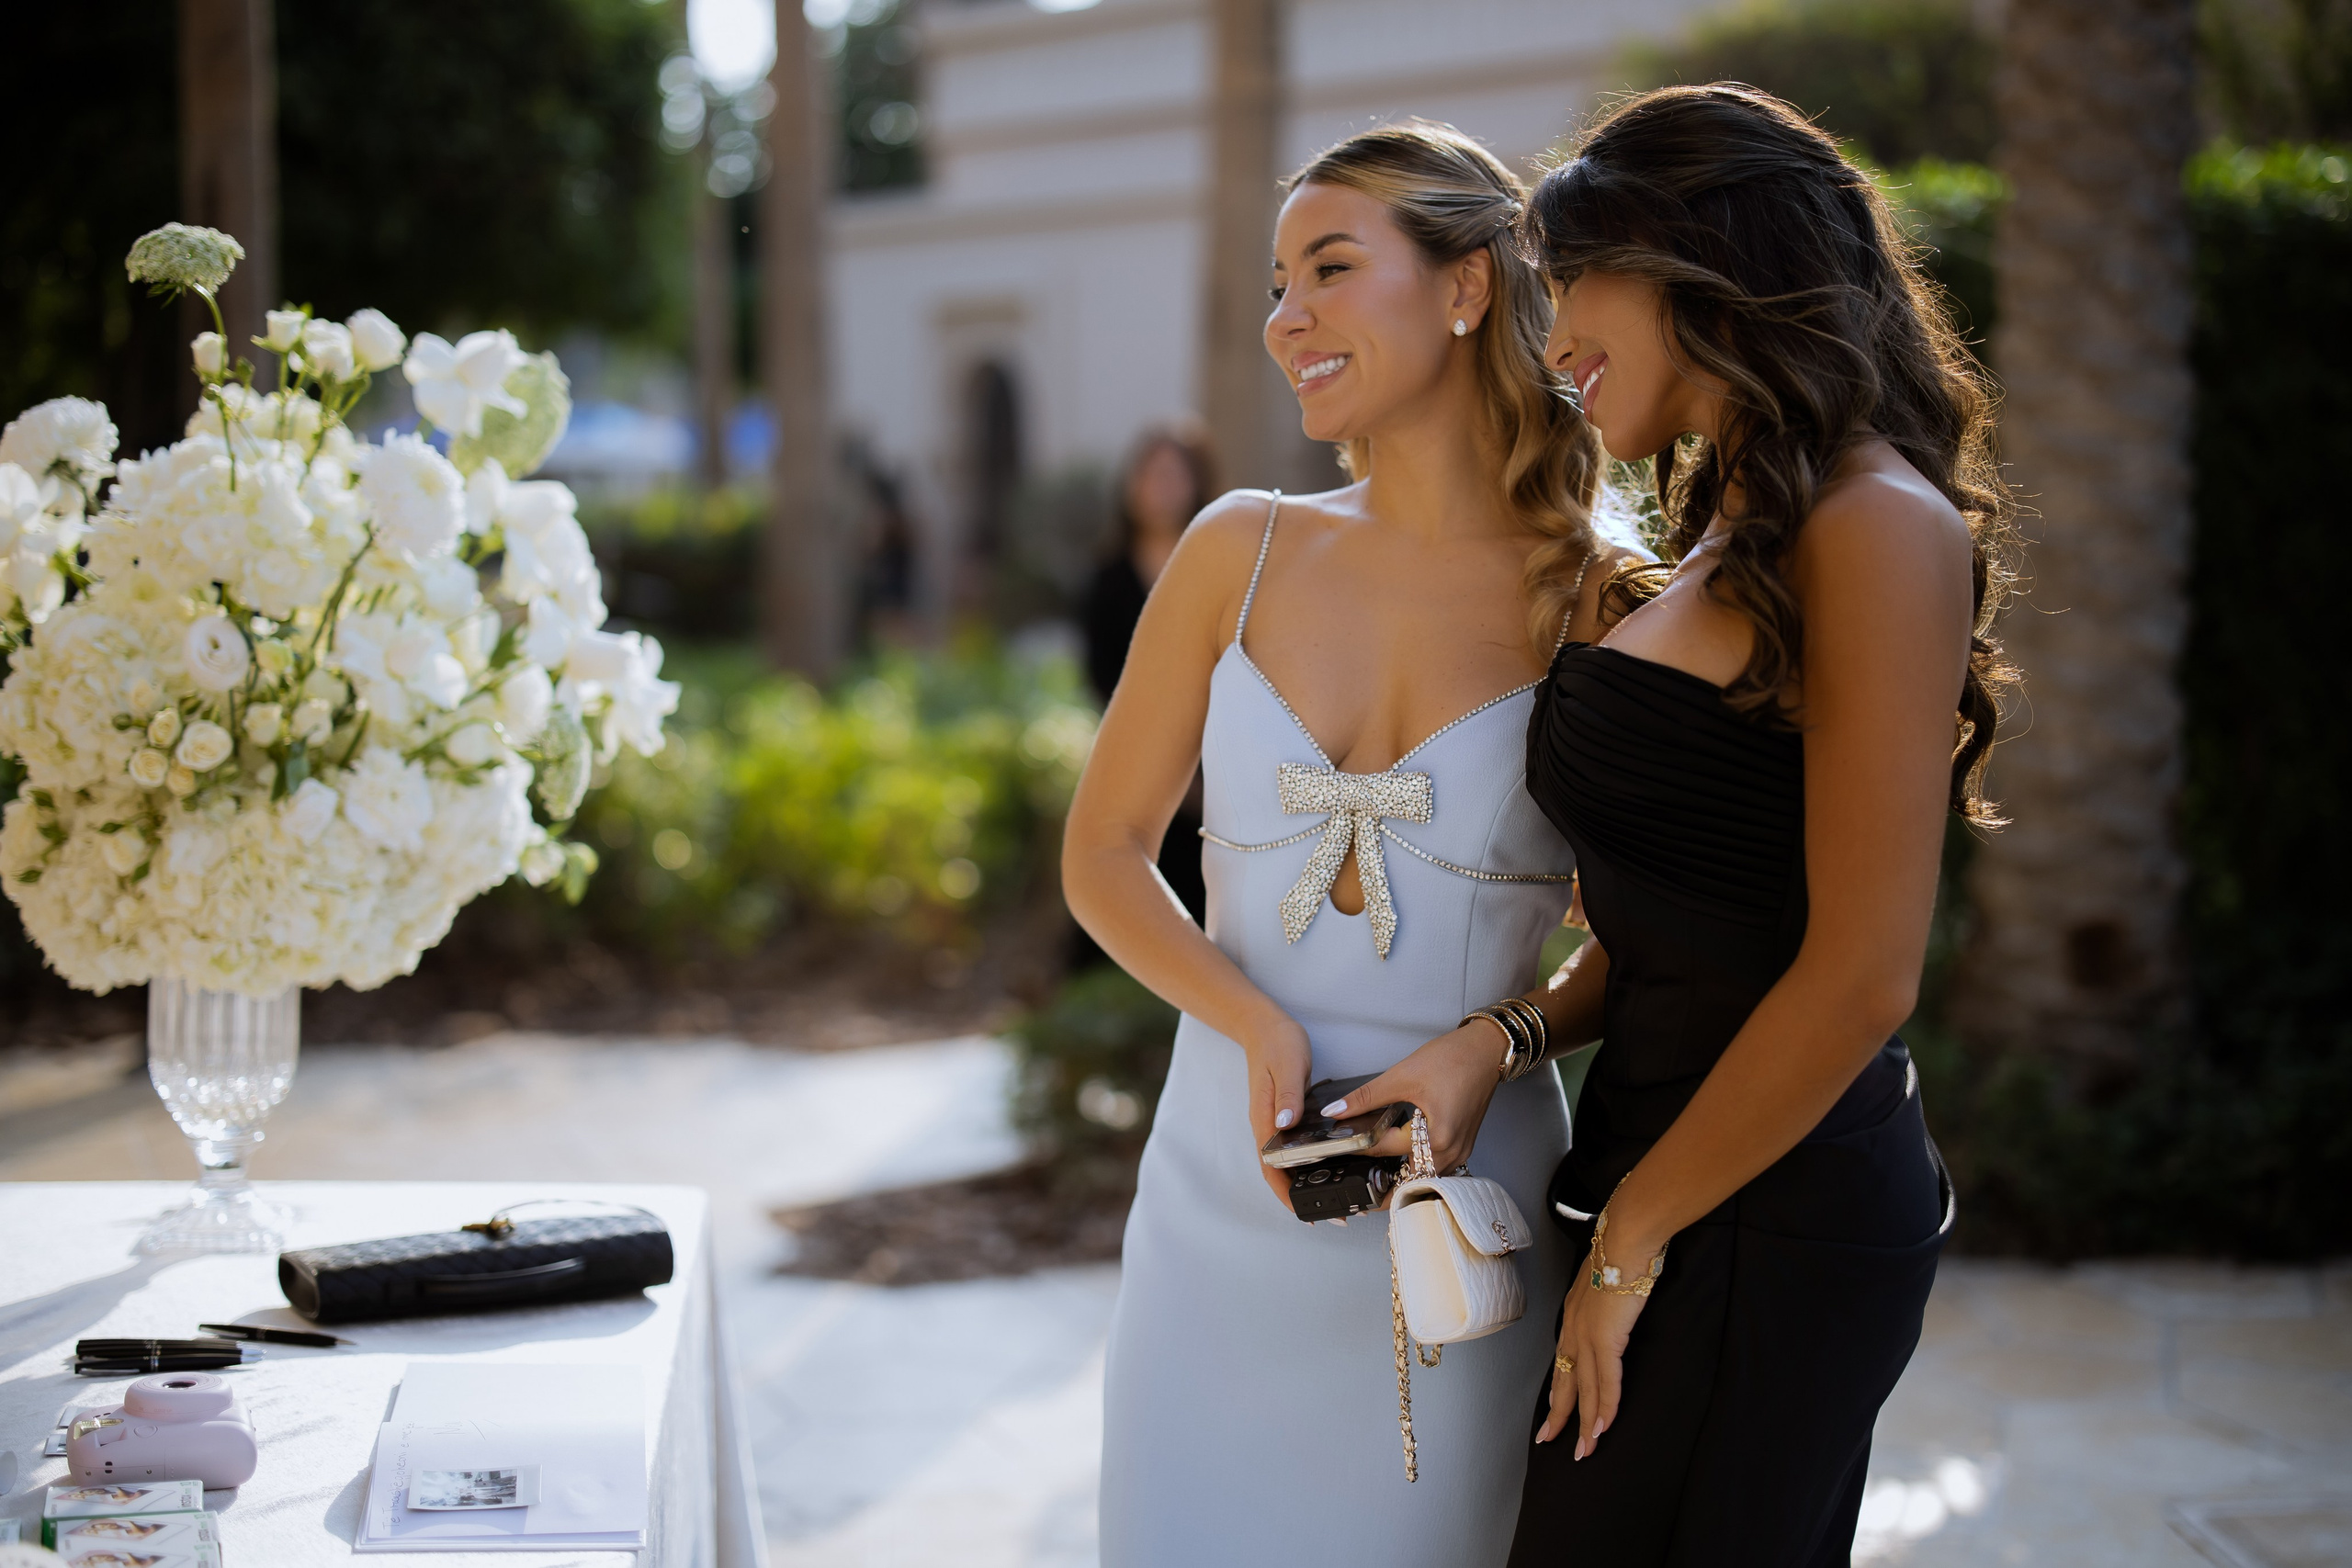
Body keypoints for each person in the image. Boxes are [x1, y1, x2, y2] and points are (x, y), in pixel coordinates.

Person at [1063, 121, 1632, 1566]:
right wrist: (1252, 1019)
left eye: (1328, 268)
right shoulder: (1236, 547)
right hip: (1216, 1200)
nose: (1285, 318)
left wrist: (1495, 1042)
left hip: (1457, 1223)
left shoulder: (1601, 595)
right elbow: (1105, 851)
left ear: (1466, 285)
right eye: (1278, 285)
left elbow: (1650, 944)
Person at [1457, 85, 2007, 1564]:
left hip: (1771, 1203)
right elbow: (1674, 930)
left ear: (1702, 261)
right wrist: (1498, 1040)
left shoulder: (1875, 522)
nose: (1551, 333)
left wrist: (1634, 1240)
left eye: (1575, 278)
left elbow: (1864, 973)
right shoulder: (1732, 527)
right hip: (1667, 1168)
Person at [1080, 423, 1221, 924]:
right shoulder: (1108, 577)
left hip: (1212, 754)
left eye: (1172, 476)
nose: (1160, 488)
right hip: (1132, 749)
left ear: (1196, 484)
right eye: (1150, 475)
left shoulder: (1220, 568)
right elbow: (1098, 671)